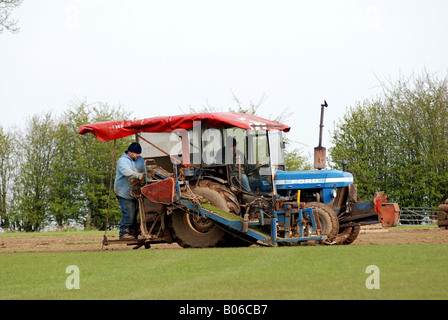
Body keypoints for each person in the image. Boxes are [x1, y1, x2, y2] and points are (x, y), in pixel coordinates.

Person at [114, 142, 145, 239]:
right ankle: (123, 233)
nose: (138, 155)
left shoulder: (140, 159)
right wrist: (138, 175)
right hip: (124, 192)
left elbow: (145, 169)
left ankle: (132, 232)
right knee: (129, 213)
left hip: (135, 192)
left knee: (135, 212)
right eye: (137, 153)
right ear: (130, 152)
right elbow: (126, 171)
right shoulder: (122, 161)